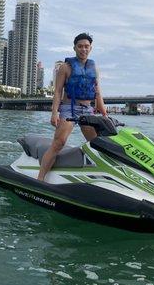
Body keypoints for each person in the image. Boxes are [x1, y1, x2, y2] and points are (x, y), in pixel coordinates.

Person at [37, 33, 107, 181]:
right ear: (74, 48)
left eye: (86, 46)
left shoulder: (94, 68)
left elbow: (98, 92)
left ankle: (101, 177)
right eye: (80, 46)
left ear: (91, 48)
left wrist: (104, 114)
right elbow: (57, 91)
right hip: (69, 107)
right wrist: (54, 113)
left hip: (88, 109)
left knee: (97, 145)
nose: (83, 49)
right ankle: (40, 179)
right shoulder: (65, 67)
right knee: (59, 143)